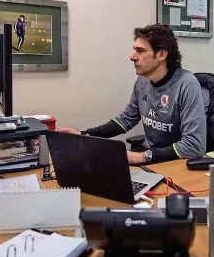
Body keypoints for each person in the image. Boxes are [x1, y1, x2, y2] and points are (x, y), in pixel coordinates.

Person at [57, 24, 206, 164]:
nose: (132, 56)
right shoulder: (143, 81)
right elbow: (126, 120)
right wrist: (85, 136)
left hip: (174, 163)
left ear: (161, 54)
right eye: (135, 50)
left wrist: (141, 157)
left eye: (140, 51)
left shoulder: (187, 85)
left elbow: (194, 145)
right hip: (150, 158)